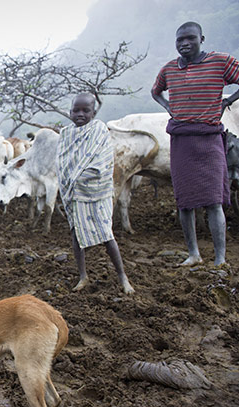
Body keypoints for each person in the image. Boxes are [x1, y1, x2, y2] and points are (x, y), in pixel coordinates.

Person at [151, 21, 239, 267]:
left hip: (209, 138)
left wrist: (227, 101)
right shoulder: (169, 69)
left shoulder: (220, 62)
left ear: (202, 38)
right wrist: (167, 106)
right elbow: (155, 91)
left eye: (190, 38)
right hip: (181, 140)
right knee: (185, 202)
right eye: (180, 40)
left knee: (214, 201)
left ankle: (220, 258)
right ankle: (193, 254)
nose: (185, 44)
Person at [57, 93, 134, 294]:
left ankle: (122, 277)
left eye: (85, 110)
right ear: (70, 111)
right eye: (76, 110)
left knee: (106, 235)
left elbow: (104, 163)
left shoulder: (99, 131)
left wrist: (82, 177)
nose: (80, 114)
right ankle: (83, 276)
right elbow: (63, 163)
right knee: (76, 234)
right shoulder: (66, 135)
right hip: (75, 194)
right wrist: (72, 180)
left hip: (96, 192)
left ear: (94, 112)